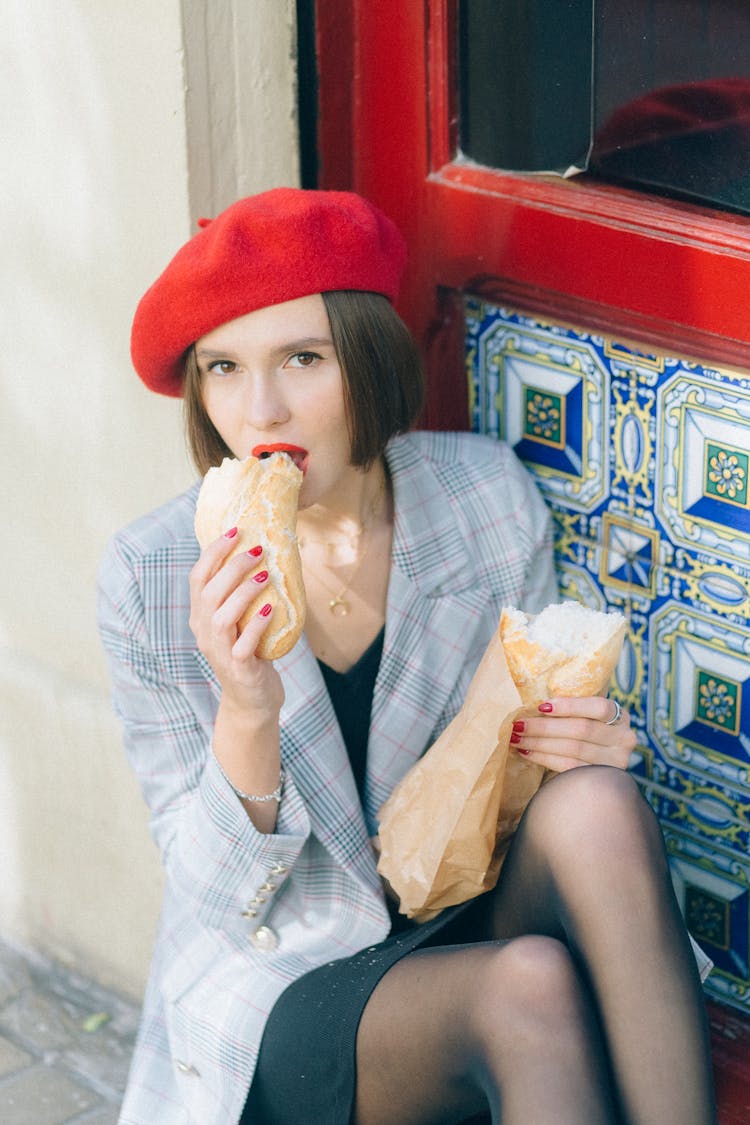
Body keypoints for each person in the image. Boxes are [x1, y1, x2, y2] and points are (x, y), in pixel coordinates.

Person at [98, 188, 716, 1125]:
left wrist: (571, 742)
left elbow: (514, 768)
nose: (260, 408)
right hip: (286, 971)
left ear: (370, 358)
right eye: (223, 367)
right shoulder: (151, 575)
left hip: (451, 898)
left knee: (599, 807)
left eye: (303, 358)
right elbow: (216, 900)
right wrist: (247, 705)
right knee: (529, 988)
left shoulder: (484, 496)